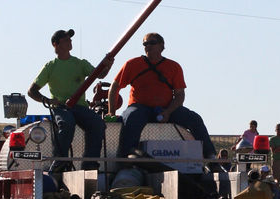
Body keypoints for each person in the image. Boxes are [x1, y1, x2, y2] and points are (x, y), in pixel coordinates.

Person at [107, 33, 217, 162]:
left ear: (162, 46)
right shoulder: (132, 64)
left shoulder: (173, 67)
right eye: (145, 44)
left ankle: (211, 157)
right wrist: (111, 112)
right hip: (140, 107)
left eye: (152, 43)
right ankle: (125, 159)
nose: (148, 46)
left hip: (166, 108)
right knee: (131, 118)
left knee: (195, 119)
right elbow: (114, 87)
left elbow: (180, 95)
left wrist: (168, 112)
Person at [28, 28, 114, 171]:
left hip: (80, 107)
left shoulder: (80, 64)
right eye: (66, 39)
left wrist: (108, 64)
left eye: (70, 39)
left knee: (97, 124)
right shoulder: (51, 67)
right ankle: (60, 161)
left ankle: (90, 163)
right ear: (55, 44)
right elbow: (32, 91)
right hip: (61, 107)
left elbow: (100, 75)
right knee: (67, 123)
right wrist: (49, 101)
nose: (70, 41)